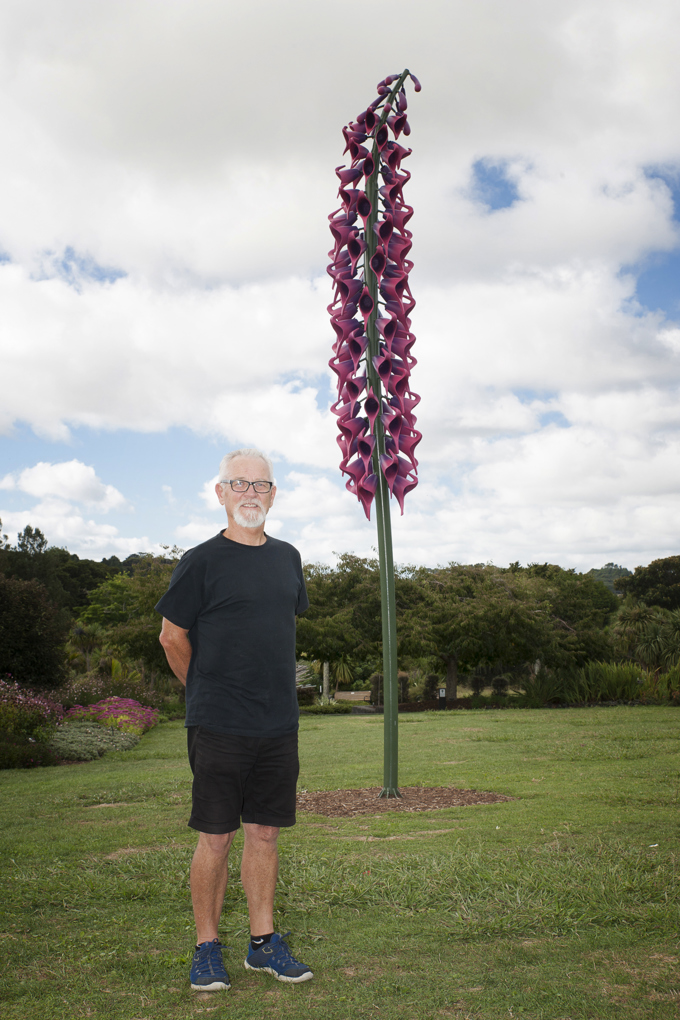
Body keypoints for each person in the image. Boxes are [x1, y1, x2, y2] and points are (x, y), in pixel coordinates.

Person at [156, 448, 312, 991]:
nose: (251, 493)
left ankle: (264, 944)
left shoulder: (288, 558)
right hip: (219, 725)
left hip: (278, 726)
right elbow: (171, 637)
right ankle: (206, 947)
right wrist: (202, 690)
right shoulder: (200, 561)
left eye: (261, 485)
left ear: (274, 495)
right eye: (239, 484)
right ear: (220, 493)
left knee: (264, 833)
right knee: (217, 838)